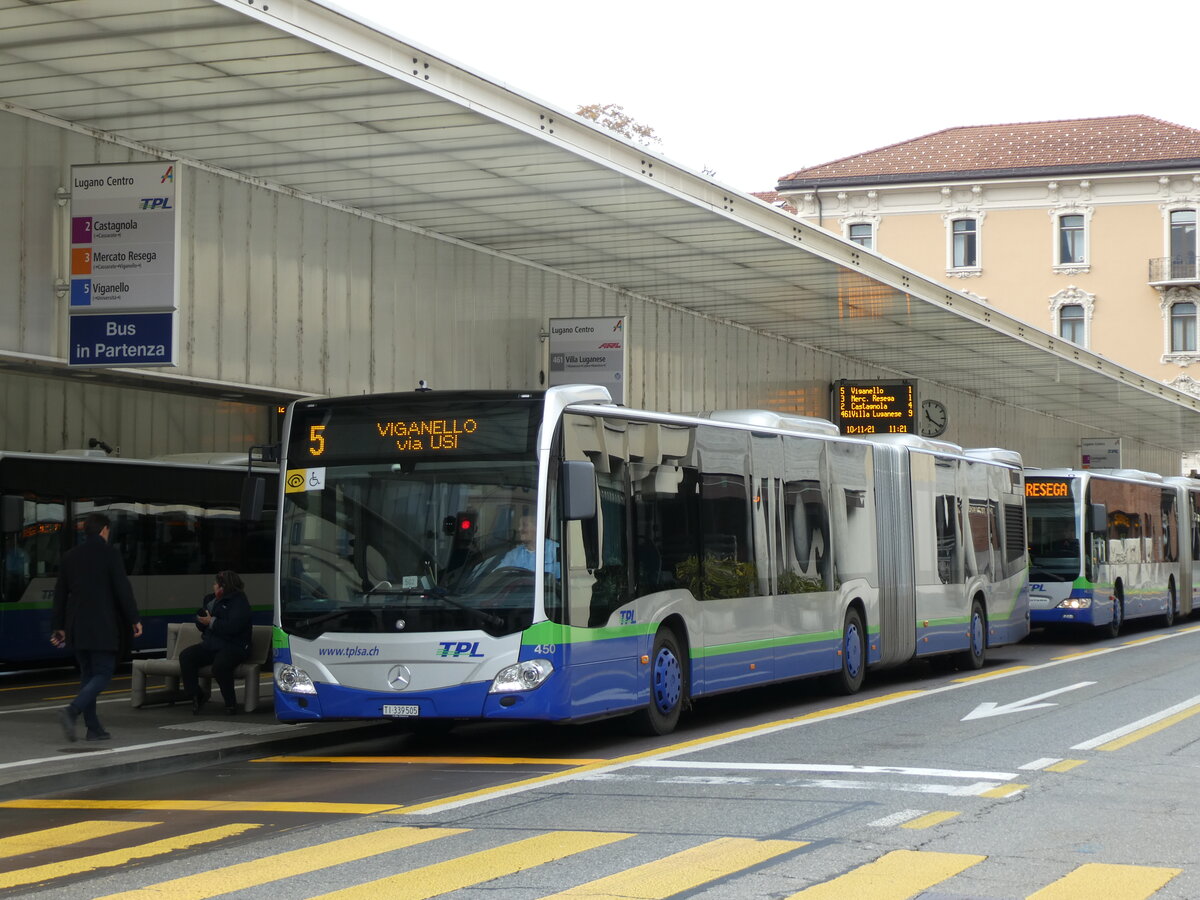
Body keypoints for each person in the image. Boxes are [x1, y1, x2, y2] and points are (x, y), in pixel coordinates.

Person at [51, 511, 142, 743]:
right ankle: (72, 711)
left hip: (77, 626)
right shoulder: (110, 554)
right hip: (102, 624)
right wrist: (134, 619)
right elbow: (123, 588)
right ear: (104, 530)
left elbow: (60, 595)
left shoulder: (70, 556)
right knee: (103, 673)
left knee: (88, 675)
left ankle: (94, 729)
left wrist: (58, 627)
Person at [180, 570, 252, 714]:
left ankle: (230, 703)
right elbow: (203, 626)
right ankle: (196, 694)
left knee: (220, 666)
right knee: (187, 656)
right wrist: (201, 621)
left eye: (215, 584)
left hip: (234, 646)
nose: (213, 586)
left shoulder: (239, 602)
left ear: (223, 586)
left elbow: (233, 627)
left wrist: (211, 622)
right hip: (212, 644)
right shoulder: (212, 600)